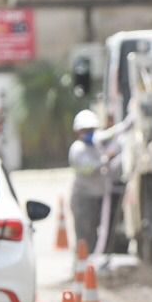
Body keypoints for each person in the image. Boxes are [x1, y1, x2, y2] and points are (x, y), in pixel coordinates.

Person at [68, 109, 107, 255]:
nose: (90, 133)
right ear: (79, 131)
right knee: (84, 236)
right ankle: (81, 270)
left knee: (94, 235)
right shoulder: (77, 149)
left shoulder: (96, 146)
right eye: (86, 130)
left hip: (96, 197)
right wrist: (104, 161)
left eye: (92, 129)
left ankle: (92, 269)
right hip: (83, 199)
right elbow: (87, 168)